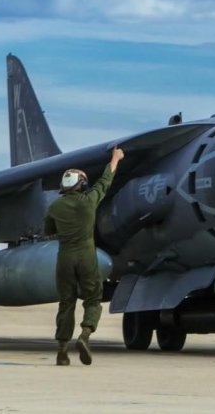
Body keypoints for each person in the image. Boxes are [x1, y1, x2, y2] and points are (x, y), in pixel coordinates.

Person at [43, 146, 125, 366]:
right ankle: (85, 334)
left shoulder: (55, 206)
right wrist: (115, 158)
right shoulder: (89, 202)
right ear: (81, 185)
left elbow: (47, 230)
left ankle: (62, 351)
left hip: (65, 258)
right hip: (87, 256)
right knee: (93, 299)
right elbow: (105, 181)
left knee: (66, 303)